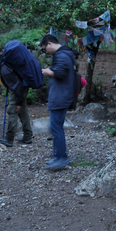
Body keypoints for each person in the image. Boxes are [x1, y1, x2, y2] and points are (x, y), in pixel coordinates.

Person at [0, 40, 43, 147]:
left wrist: (17, 102)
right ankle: (28, 136)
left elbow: (17, 86)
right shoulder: (3, 64)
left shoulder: (4, 69)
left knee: (12, 109)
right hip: (23, 85)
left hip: (20, 88)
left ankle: (9, 139)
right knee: (22, 109)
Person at [39, 34, 76, 171]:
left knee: (56, 127)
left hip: (60, 97)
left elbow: (60, 73)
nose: (46, 52)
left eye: (44, 49)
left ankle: (61, 158)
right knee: (55, 127)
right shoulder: (63, 54)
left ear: (49, 43)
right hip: (61, 96)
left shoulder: (62, 55)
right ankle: (58, 155)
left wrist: (48, 72)